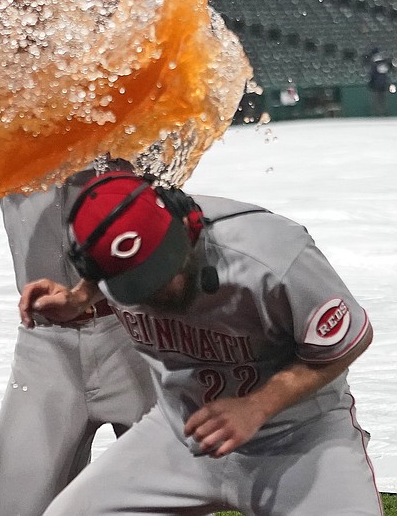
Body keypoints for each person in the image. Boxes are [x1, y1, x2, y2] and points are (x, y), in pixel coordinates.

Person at [20, 172, 381, 515]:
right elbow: (110, 264)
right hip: (179, 433)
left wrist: (257, 406)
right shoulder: (115, 263)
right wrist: (78, 298)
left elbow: (349, 341)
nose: (160, 289)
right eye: (140, 281)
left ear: (186, 227)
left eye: (162, 268)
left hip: (299, 439)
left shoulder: (271, 254)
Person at [0, 159, 155, 516]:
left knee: (170, 497)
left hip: (137, 329)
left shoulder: (131, 110)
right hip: (44, 341)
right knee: (16, 506)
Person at [367, 46, 393, 117]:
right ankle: (382, 114)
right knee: (382, 100)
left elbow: (372, 75)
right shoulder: (383, 63)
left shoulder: (374, 64)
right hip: (382, 84)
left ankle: (379, 114)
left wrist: (371, 83)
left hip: (377, 85)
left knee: (378, 100)